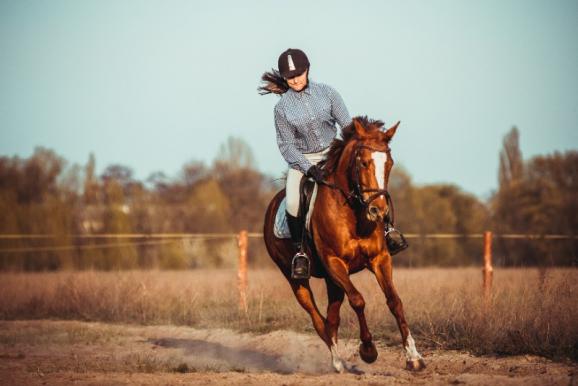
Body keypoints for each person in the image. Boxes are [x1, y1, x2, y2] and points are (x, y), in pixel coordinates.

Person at [259, 48, 408, 279]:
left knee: (368, 178)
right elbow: (286, 146)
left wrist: (356, 148)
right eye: (290, 77)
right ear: (285, 78)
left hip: (333, 152)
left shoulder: (328, 93)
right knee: (292, 201)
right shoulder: (281, 109)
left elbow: (347, 126)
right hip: (304, 160)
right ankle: (300, 254)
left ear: (308, 70)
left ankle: (388, 230)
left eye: (299, 74)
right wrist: (308, 168)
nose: (295, 79)